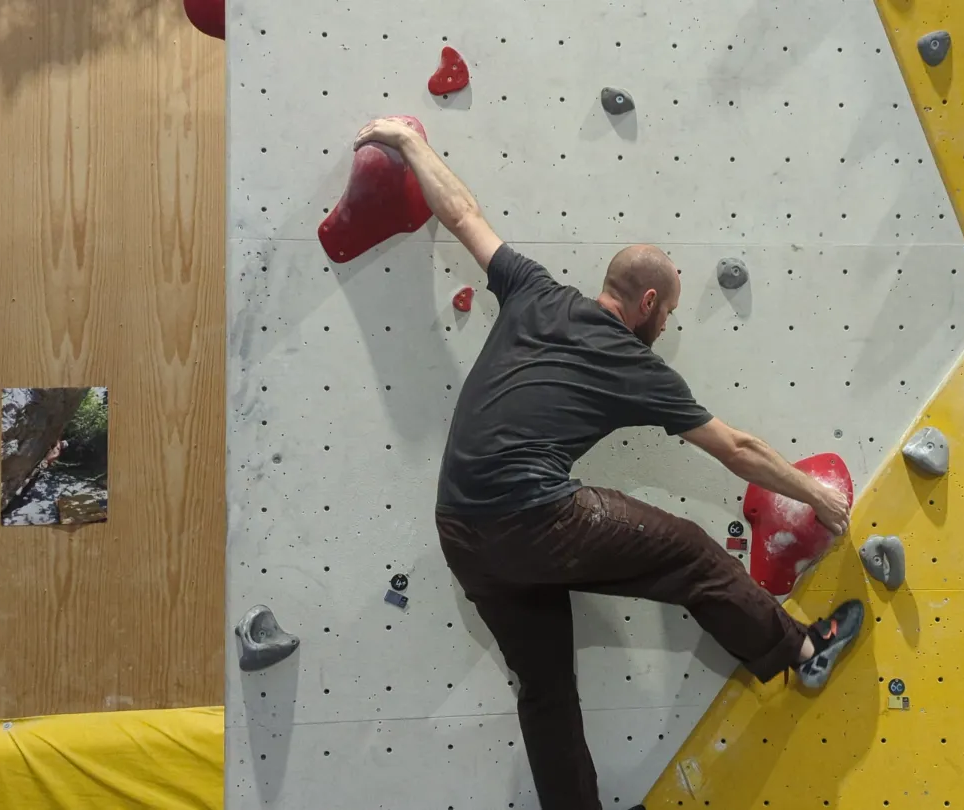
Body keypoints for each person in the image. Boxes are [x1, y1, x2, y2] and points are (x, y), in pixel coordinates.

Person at [353, 117, 865, 810]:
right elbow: (737, 450)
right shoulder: (634, 363)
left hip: (461, 531)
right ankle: (804, 652)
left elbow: (465, 213)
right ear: (648, 303)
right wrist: (818, 497)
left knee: (546, 692)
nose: (666, 329)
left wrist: (412, 145)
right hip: (530, 517)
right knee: (688, 550)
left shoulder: (533, 289)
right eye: (670, 314)